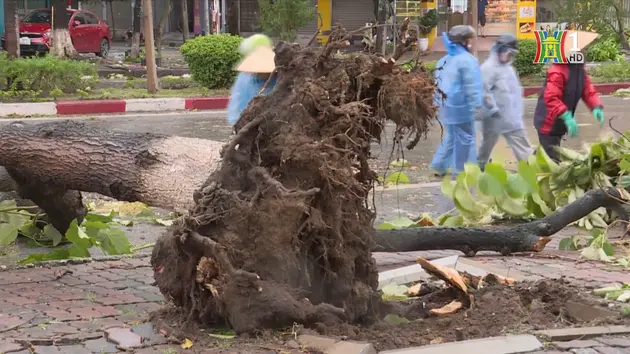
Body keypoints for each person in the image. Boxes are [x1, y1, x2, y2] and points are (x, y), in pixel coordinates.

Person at [533, 31, 603, 161]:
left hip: (560, 123)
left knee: (546, 151)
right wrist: (566, 116)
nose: (583, 50)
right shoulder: (558, 70)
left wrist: (596, 106)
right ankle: (532, 172)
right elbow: (551, 98)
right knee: (552, 159)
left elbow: (587, 89)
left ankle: (530, 164)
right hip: (548, 122)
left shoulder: (579, 69)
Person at [429, 25, 483, 177]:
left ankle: (439, 165)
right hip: (461, 107)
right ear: (465, 42)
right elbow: (472, 86)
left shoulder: (444, 60)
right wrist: (478, 106)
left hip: (444, 107)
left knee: (452, 135)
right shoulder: (468, 60)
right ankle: (462, 171)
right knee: (466, 138)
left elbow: (436, 83)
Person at [477, 33, 532, 170]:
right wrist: (492, 109)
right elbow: (483, 91)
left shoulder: (509, 69)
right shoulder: (488, 68)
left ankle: (530, 167)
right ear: (499, 50)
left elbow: (514, 93)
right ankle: (480, 165)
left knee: (521, 143)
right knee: (488, 142)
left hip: (511, 118)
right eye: (507, 52)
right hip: (494, 117)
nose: (509, 56)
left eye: (512, 54)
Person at [227, 34, 277, 126]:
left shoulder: (280, 79)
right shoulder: (244, 78)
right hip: (246, 123)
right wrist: (236, 123)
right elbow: (236, 102)